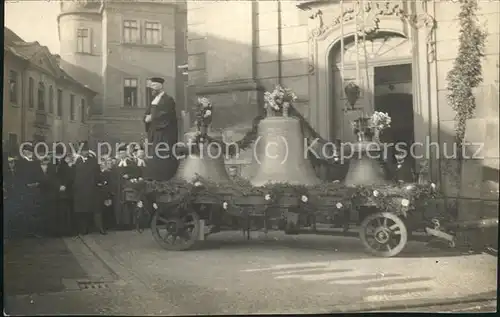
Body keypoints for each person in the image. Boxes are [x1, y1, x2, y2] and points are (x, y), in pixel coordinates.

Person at [143, 77, 179, 181]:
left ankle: (163, 178)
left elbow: (166, 116)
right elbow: (147, 114)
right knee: (153, 157)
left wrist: (152, 118)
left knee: (161, 156)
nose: (152, 88)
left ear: (160, 86)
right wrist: (146, 118)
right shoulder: (153, 100)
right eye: (151, 86)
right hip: (154, 134)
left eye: (154, 85)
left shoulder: (168, 100)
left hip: (164, 134)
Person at [72, 141, 106, 235]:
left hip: (93, 189)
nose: (86, 152)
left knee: (97, 210)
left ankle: (100, 228)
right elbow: (73, 175)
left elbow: (98, 173)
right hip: (81, 190)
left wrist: (100, 182)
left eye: (87, 150)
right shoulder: (77, 162)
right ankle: (84, 229)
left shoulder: (93, 161)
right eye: (83, 151)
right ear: (80, 152)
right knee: (83, 211)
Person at [112, 144, 139, 229]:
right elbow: (112, 177)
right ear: (119, 154)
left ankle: (129, 224)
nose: (122, 155)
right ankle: (119, 224)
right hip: (118, 189)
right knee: (118, 207)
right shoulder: (116, 165)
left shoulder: (131, 163)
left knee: (127, 206)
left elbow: (137, 173)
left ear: (126, 154)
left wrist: (129, 176)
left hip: (127, 188)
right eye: (121, 153)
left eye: (124, 153)